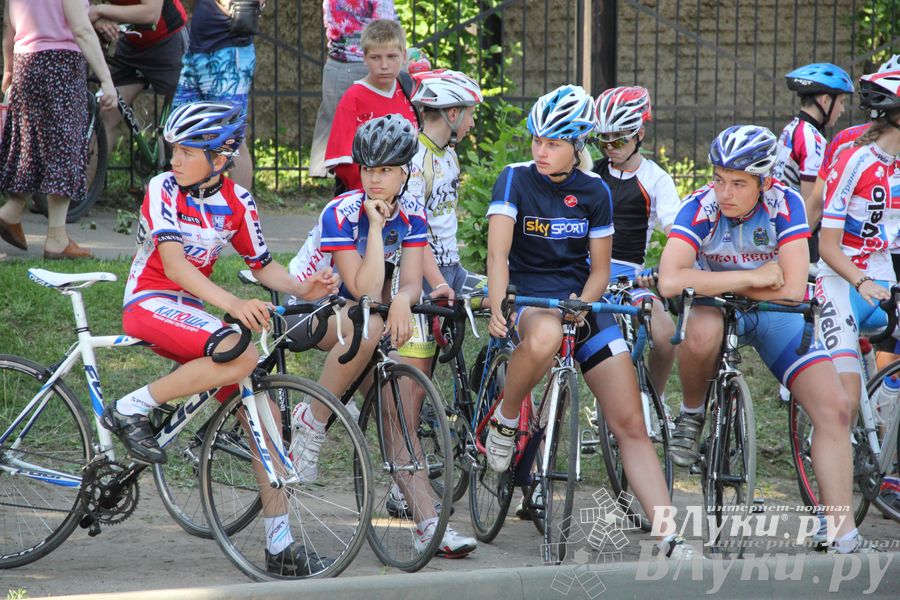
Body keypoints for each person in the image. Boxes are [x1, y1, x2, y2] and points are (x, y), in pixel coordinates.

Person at [100, 101, 339, 575]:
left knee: (265, 414)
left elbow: (262, 264)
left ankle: (279, 545)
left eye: (188, 151)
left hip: (190, 313)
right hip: (149, 301)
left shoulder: (239, 202)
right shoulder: (163, 188)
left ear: (221, 157)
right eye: (174, 149)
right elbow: (173, 266)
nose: (175, 159)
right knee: (238, 347)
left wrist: (299, 286)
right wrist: (231, 305)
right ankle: (130, 408)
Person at [485, 85, 698, 559]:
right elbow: (498, 254)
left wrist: (582, 303)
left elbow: (601, 269)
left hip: (580, 299)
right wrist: (499, 304)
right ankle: (504, 418)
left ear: (578, 142)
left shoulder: (594, 190)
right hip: (529, 293)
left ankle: (669, 534)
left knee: (630, 423)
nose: (541, 151)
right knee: (542, 335)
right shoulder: (514, 179)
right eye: (538, 140)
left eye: (554, 142)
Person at [657, 125, 863, 553]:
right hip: (720, 309)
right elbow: (670, 280)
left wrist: (714, 281)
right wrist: (751, 277)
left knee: (836, 409)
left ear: (764, 182)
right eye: (718, 178)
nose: (724, 192)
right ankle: (692, 413)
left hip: (772, 315)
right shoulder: (700, 207)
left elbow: (789, 289)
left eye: (738, 183)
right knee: (701, 329)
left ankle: (841, 530)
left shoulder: (785, 203)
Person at [288, 114, 477, 557]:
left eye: (387, 170)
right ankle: (310, 422)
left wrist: (404, 300)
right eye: (369, 170)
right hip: (309, 308)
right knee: (371, 324)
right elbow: (363, 287)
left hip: (361, 316)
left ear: (405, 172)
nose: (375, 179)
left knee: (398, 416)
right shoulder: (342, 212)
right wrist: (374, 228)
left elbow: (409, 282)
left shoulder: (412, 216)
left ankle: (429, 524)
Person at [816, 70, 900, 447]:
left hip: (883, 281)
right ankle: (827, 494)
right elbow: (828, 246)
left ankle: (883, 450)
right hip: (842, 284)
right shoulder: (855, 161)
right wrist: (861, 281)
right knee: (844, 403)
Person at [0, 0, 117, 259]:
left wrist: (8, 69)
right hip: (61, 65)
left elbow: (10, 26)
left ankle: (11, 211)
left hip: (25, 63)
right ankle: (56, 238)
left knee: (29, 147)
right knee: (64, 148)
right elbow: (81, 29)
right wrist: (107, 80)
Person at [592, 85, 679, 400]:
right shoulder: (590, 172)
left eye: (618, 140)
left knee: (666, 333)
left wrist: (666, 268)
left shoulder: (656, 179)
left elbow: (677, 234)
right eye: (602, 140)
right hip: (584, 273)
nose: (609, 147)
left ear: (640, 134)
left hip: (626, 278)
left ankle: (652, 401)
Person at [171, 0, 265, 190]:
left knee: (232, 138)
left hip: (228, 53)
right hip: (197, 51)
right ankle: (196, 206)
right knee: (182, 130)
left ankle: (241, 213)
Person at [323, 18, 418, 195]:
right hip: (366, 199)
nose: (384, 65)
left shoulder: (410, 91)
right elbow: (342, 163)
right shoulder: (353, 98)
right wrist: (377, 190)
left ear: (404, 56)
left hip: (409, 197)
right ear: (364, 58)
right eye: (375, 57)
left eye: (392, 57)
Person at [309, 0, 398, 178]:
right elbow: (385, 28)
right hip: (369, 66)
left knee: (343, 139)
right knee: (378, 135)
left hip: (337, 65)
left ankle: (343, 191)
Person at [89, 0, 188, 159]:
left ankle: (180, 176)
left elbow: (151, 13)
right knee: (106, 114)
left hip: (168, 40)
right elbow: (77, 8)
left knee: (183, 123)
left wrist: (99, 10)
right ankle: (86, 184)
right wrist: (97, 18)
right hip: (132, 42)